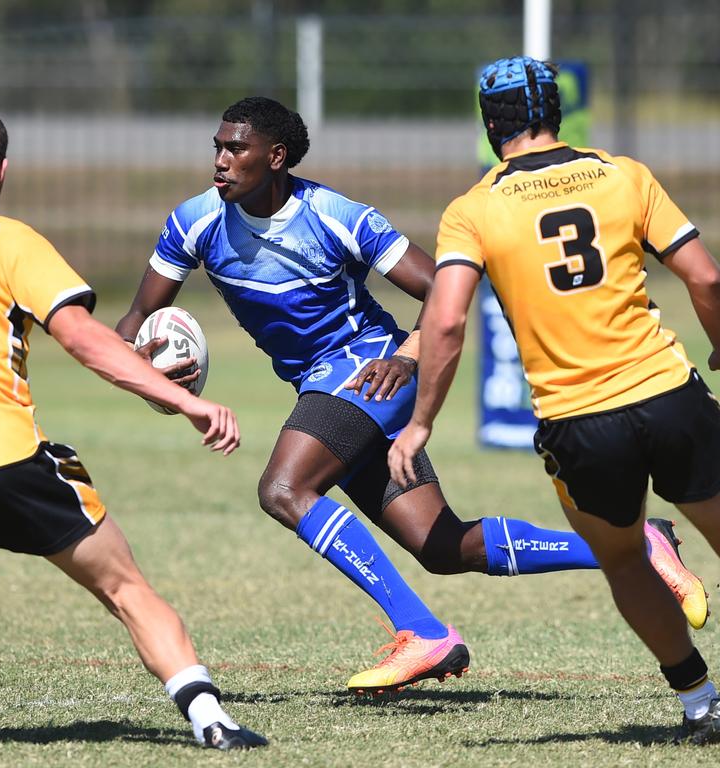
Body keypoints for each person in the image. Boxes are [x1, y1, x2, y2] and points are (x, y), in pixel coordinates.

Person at [115, 95, 709, 696]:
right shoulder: (194, 221)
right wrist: (139, 364)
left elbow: (440, 288)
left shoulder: (336, 216)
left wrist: (404, 357)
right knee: (443, 545)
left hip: (366, 370)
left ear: (276, 157)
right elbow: (138, 316)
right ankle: (646, 544)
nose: (219, 159)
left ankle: (420, 630)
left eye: (234, 148)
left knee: (285, 488)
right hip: (326, 387)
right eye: (217, 146)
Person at [0, 104, 267, 751]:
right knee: (124, 586)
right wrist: (185, 402)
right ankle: (212, 719)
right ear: (3, 171)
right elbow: (84, 341)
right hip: (12, 460)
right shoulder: (10, 241)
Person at [388, 56, 720, 743]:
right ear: (557, 113)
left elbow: (445, 322)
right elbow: (707, 280)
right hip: (669, 395)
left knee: (625, 560)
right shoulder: (625, 175)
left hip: (579, 423)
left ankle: (700, 704)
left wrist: (420, 424)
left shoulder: (474, 209)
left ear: (488, 124)